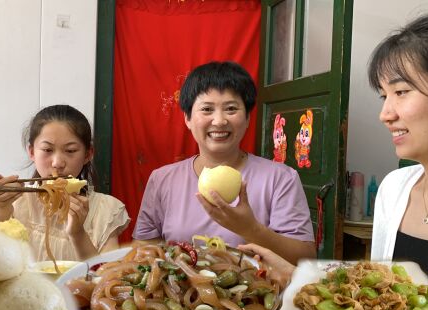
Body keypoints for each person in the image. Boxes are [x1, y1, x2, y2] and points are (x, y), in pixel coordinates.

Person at [133, 61, 316, 264]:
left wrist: (250, 229)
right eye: (207, 109)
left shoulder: (281, 178)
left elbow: (305, 258)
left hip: (259, 292)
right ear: (187, 118)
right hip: (178, 293)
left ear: (247, 117)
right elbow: (143, 253)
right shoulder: (162, 179)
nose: (219, 121)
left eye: (231, 109)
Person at [369, 10, 428, 302]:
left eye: (402, 91)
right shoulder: (394, 189)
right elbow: (378, 306)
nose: (385, 115)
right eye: (384, 95)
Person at [0, 105, 130, 261]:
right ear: (32, 152)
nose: (57, 163)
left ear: (88, 154)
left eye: (70, 151)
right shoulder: (15, 201)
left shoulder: (106, 210)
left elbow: (106, 278)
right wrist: (0, 210)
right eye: (47, 150)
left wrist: (77, 233)